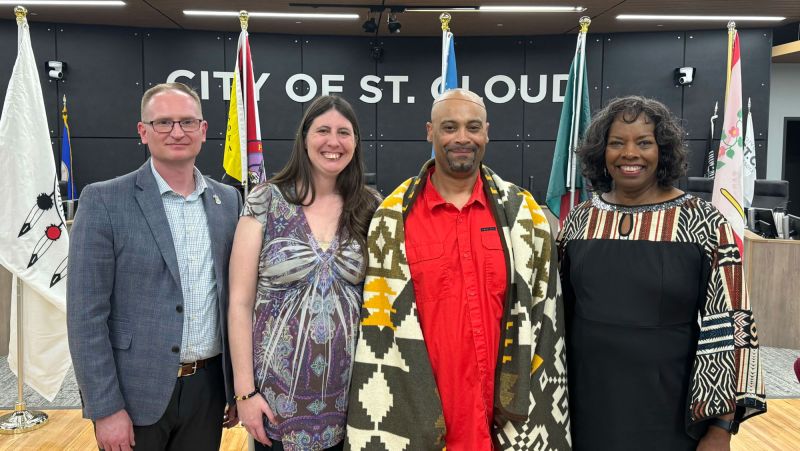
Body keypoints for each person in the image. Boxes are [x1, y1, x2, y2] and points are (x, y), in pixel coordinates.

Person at [345, 89, 570, 450]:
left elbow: (546, 317)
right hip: (418, 404)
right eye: (449, 127)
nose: (462, 138)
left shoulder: (525, 216)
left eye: (473, 127)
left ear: (487, 133)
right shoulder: (392, 218)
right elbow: (376, 328)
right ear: (430, 132)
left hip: (504, 410)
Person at [557, 96, 766, 450]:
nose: (630, 154)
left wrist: (719, 429)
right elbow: (557, 317)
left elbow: (733, 325)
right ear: (600, 152)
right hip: (585, 404)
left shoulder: (703, 222)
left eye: (644, 142)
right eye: (616, 143)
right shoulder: (579, 221)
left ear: (663, 150)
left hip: (669, 408)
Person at [67, 82, 242, 451]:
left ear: (204, 130)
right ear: (143, 132)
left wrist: (236, 387)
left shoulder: (228, 201)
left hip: (208, 391)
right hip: (133, 396)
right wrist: (105, 408)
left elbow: (234, 300)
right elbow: (86, 316)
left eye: (187, 122)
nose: (177, 132)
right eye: (163, 122)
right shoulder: (103, 200)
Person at [228, 95, 380, 451]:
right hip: (276, 400)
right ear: (305, 138)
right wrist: (244, 392)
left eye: (344, 132)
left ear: (355, 144)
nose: (333, 141)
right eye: (323, 130)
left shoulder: (370, 207)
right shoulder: (266, 200)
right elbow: (239, 302)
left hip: (349, 400)